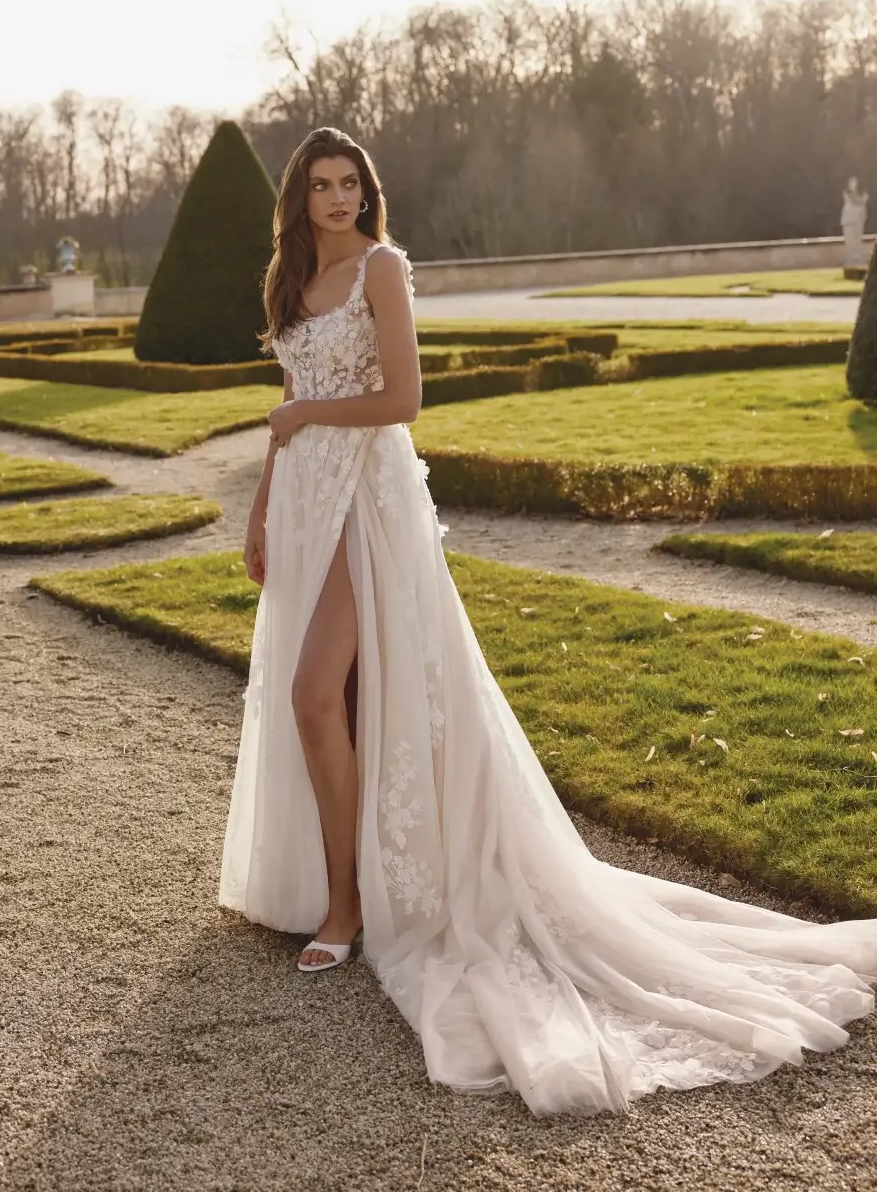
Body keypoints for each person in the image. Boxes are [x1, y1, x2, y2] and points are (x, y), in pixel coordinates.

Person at [218, 125, 877, 1117]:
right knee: (337, 700)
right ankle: (337, 884)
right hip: (307, 502)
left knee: (318, 696)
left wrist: (305, 422)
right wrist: (266, 502)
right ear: (297, 200)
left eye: (350, 182)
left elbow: (401, 398)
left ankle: (352, 906)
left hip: (370, 501)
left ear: (367, 191)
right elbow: (290, 398)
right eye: (321, 185)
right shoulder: (290, 281)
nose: (339, 197)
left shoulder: (380, 270)